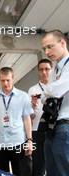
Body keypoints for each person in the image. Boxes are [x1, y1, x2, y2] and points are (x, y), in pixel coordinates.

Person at [0, 67, 33, 176]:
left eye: (8, 80)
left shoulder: (23, 96)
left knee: (21, 172)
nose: (5, 83)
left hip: (18, 142)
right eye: (2, 80)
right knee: (0, 173)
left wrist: (29, 140)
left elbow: (26, 119)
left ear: (13, 78)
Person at [41, 30, 69, 176]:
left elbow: (57, 90)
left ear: (62, 43)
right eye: (44, 48)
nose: (46, 52)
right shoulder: (55, 70)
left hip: (66, 126)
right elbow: (45, 98)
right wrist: (48, 92)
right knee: (51, 171)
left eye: (50, 46)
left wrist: (47, 91)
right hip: (52, 126)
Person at [28, 59, 52, 176]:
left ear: (51, 70)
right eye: (41, 70)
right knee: (38, 163)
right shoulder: (33, 90)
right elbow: (29, 115)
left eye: (47, 69)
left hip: (54, 128)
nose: (44, 72)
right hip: (37, 130)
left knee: (54, 161)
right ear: (38, 72)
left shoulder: (58, 86)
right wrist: (32, 106)